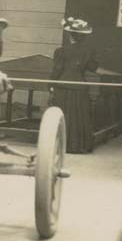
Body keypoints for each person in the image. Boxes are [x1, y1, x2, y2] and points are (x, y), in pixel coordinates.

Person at [49, 17, 99, 153]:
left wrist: (50, 84)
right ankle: (79, 146)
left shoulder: (61, 51)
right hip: (80, 86)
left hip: (63, 87)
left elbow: (57, 70)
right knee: (79, 116)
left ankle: (62, 145)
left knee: (63, 115)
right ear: (83, 37)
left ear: (70, 35)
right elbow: (93, 68)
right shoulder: (88, 52)